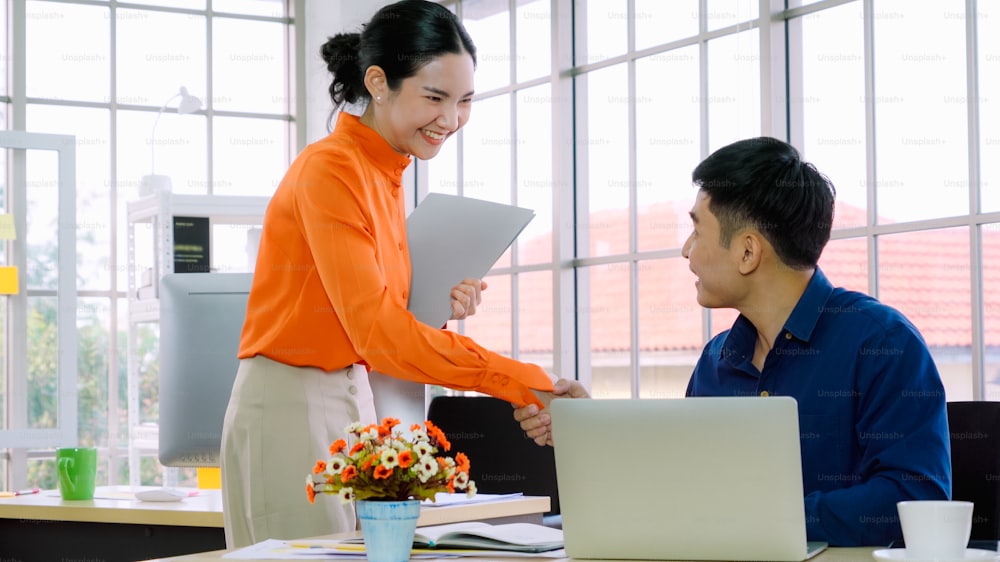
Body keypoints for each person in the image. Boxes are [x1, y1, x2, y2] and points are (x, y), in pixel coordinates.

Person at [220, 0, 555, 548]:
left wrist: (432, 307)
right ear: (378, 82)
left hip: (356, 399)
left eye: (465, 100)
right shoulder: (333, 169)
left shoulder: (387, 174)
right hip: (290, 404)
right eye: (434, 97)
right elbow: (378, 334)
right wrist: (520, 380)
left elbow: (374, 323)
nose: (451, 119)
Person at [514, 137, 951, 548]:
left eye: (697, 231)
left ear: (747, 252)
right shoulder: (716, 360)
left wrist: (765, 519)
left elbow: (916, 498)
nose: (686, 250)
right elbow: (684, 492)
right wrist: (583, 429)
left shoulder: (883, 344)